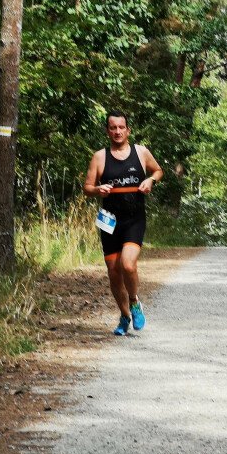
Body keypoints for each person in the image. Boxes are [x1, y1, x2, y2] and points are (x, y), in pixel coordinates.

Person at [83, 111, 163, 335]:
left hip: (134, 218)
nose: (117, 131)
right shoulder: (99, 157)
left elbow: (158, 171)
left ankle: (135, 302)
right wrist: (98, 189)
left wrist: (150, 180)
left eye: (121, 127)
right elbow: (87, 188)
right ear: (107, 130)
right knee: (113, 271)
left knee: (127, 264)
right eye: (112, 127)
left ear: (128, 130)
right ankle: (124, 316)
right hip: (109, 221)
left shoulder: (140, 152)